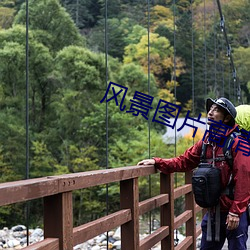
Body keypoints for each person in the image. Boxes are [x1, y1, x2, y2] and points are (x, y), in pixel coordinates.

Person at [137, 97, 250, 250]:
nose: (210, 112)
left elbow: (244, 178)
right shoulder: (206, 143)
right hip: (213, 211)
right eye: (210, 109)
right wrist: (158, 162)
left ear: (227, 117)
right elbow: (184, 161)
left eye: (216, 110)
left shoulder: (238, 143)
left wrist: (236, 212)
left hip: (233, 211)